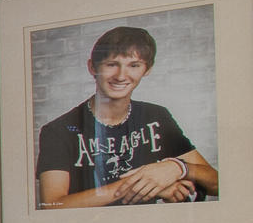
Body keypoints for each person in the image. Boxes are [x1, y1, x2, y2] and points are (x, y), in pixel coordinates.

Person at [36, 25, 219, 208]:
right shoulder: (58, 131)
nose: (121, 76)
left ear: (147, 69)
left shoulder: (156, 117)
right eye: (111, 64)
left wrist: (177, 168)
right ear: (92, 67)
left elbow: (217, 183)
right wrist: (149, 184)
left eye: (134, 65)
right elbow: (52, 204)